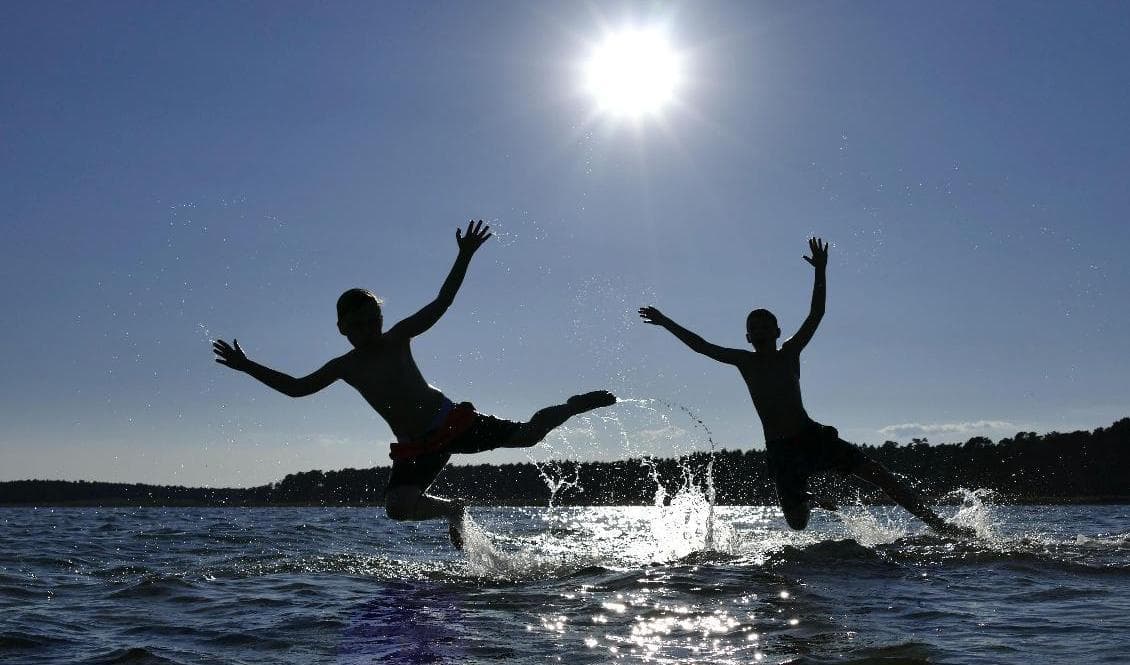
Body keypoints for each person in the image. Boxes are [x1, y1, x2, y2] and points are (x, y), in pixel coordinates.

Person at [213, 220, 616, 549]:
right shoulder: (344, 366)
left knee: (528, 435)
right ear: (341, 328)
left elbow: (442, 302)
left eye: (372, 320)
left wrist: (463, 256)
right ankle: (453, 510)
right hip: (415, 447)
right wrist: (248, 367)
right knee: (398, 508)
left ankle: (571, 405)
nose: (367, 329)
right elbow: (297, 388)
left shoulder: (399, 337)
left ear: (381, 319)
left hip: (450, 423)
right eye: (356, 325)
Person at [639, 237, 972, 538]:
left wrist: (820, 271)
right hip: (781, 450)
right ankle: (807, 495)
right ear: (747, 337)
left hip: (810, 435)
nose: (759, 329)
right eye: (753, 327)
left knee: (878, 474)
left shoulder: (790, 352)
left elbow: (817, 313)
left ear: (777, 330)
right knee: (797, 523)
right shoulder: (745, 361)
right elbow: (701, 346)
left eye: (765, 324)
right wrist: (666, 321)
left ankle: (940, 524)